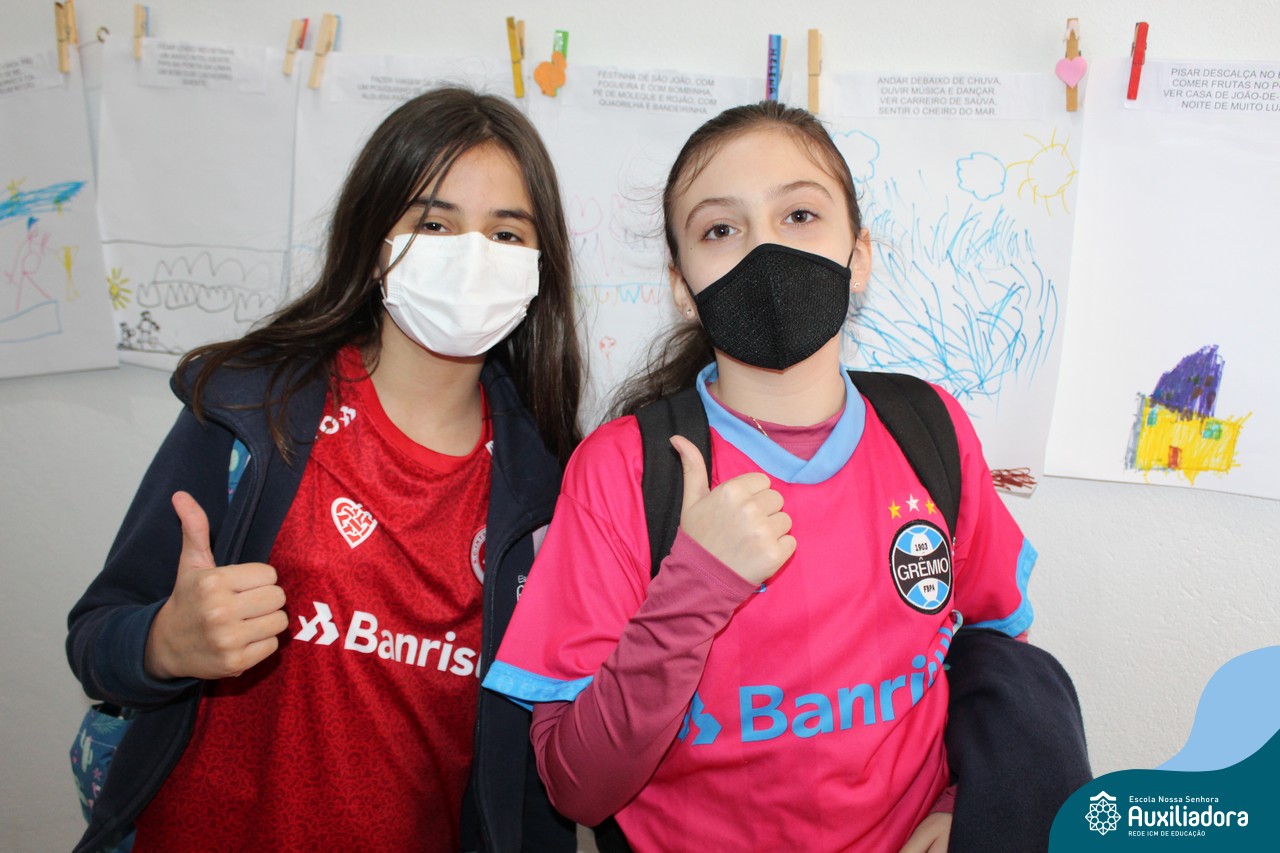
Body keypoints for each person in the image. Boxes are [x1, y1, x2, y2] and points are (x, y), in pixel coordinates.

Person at [480, 101, 1039, 852]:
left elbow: (996, 652)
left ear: (859, 256)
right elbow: (576, 786)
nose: (765, 251)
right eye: (721, 229)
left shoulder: (930, 427)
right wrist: (694, 587)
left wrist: (958, 799)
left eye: (800, 215)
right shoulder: (624, 470)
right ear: (683, 287)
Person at [66, 87, 581, 853]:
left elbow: (531, 767)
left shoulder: (553, 491)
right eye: (434, 224)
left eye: (506, 233)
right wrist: (162, 644)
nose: (472, 256)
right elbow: (95, 636)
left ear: (539, 267)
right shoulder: (250, 409)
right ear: (374, 242)